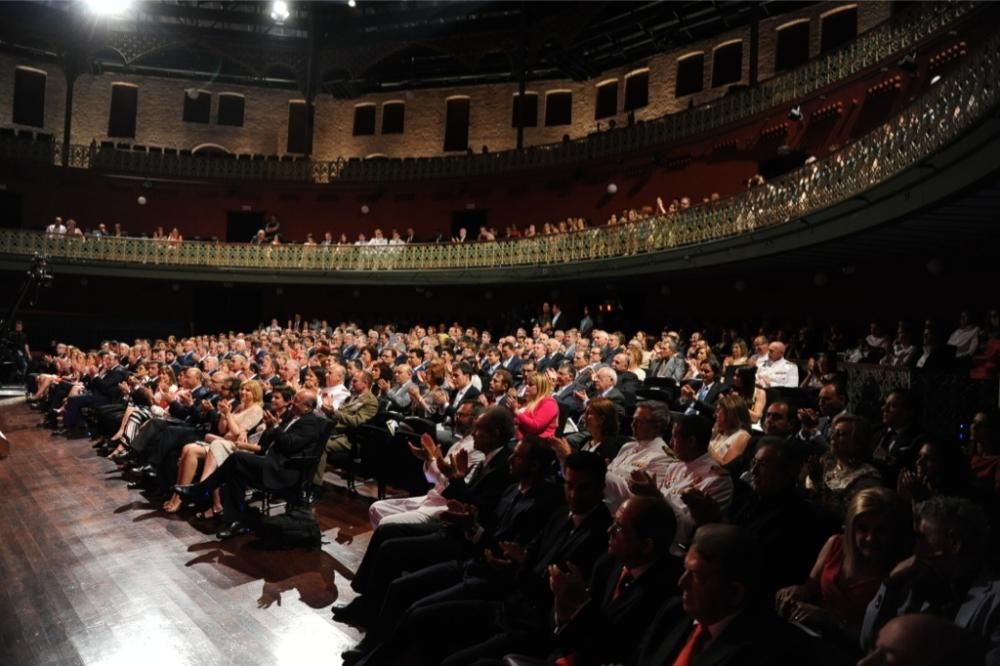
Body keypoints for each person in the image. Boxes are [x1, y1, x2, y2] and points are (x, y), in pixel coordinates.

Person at [860, 496, 999, 663]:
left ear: (954, 542)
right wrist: (890, 584)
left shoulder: (995, 602)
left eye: (923, 538)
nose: (915, 549)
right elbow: (868, 642)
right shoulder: (920, 587)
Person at [173, 389, 328, 539]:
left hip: (285, 471)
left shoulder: (311, 423)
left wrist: (275, 429)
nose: (293, 403)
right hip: (271, 462)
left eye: (297, 401)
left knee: (237, 458)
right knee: (235, 473)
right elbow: (267, 445)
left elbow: (290, 444)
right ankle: (235, 521)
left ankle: (203, 489)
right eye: (293, 399)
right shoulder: (292, 418)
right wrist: (269, 429)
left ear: (307, 407)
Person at [775, 488, 912, 652]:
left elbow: (877, 642)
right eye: (862, 528)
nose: (870, 538)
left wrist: (830, 622)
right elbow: (811, 587)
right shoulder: (835, 545)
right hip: (810, 637)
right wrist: (797, 592)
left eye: (881, 530)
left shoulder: (896, 574)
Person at [806, 414, 883, 519]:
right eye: (833, 433)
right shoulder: (825, 463)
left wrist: (818, 482)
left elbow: (847, 513)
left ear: (857, 441)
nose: (833, 438)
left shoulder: (867, 477)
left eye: (841, 434)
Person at [707, 394, 753, 469]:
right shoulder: (721, 431)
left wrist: (705, 443)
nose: (715, 415)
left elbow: (725, 466)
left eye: (719, 411)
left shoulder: (742, 436)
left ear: (731, 415)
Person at [515, 372, 558, 440]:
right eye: (527, 383)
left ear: (540, 387)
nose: (526, 386)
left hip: (539, 444)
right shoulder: (531, 401)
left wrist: (517, 412)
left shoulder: (549, 403)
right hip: (523, 440)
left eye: (531, 384)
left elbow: (535, 427)